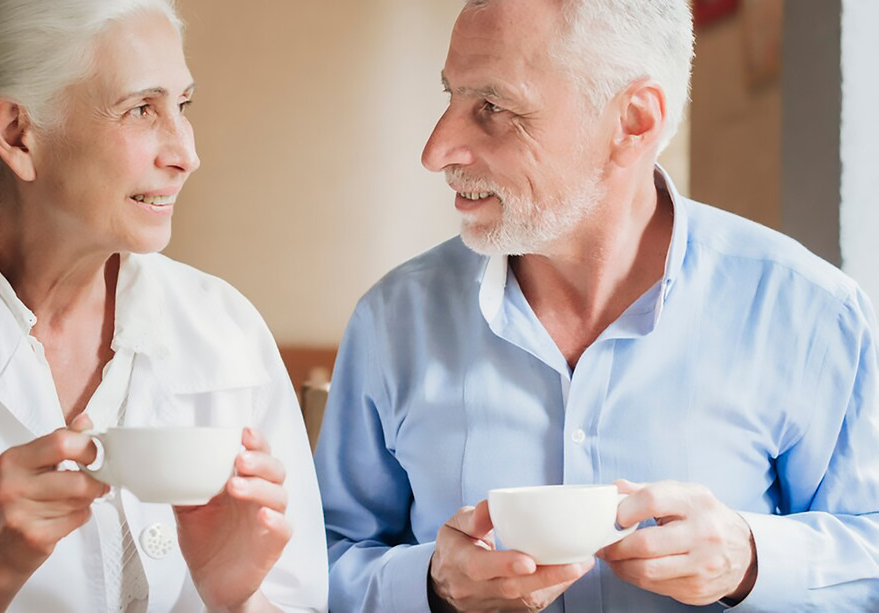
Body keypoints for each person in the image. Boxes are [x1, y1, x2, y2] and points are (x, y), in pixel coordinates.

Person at [314, 0, 879, 611]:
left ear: (634, 120)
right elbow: (317, 562)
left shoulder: (811, 312)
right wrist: (431, 584)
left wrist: (750, 559)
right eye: (449, 96)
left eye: (493, 108)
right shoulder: (392, 321)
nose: (437, 149)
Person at [0, 1, 327, 611]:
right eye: (141, 108)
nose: (185, 153)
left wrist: (233, 598)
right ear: (19, 133)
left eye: (183, 105)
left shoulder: (229, 333)